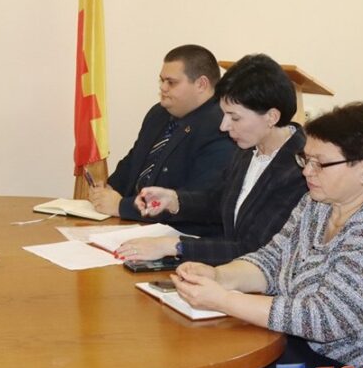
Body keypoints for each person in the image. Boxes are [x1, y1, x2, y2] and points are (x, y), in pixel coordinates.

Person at [172, 103, 363, 368]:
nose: (306, 171)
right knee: (213, 354)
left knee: (233, 366)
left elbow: (326, 319)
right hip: (316, 349)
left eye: (320, 163)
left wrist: (224, 300)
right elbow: (273, 258)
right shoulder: (320, 200)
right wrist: (219, 276)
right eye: (305, 159)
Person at [115, 53, 308, 265]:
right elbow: (219, 203)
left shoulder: (300, 168)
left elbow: (255, 249)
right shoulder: (249, 149)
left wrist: (174, 246)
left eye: (234, 117)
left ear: (272, 117)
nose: (224, 126)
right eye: (224, 114)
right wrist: (173, 200)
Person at [90, 45, 235, 233]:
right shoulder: (158, 114)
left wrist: (121, 206)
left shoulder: (221, 126)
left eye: (171, 82)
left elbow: (198, 201)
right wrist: (109, 189)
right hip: (130, 225)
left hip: (179, 234)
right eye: (162, 80)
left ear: (201, 84)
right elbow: (134, 160)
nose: (163, 88)